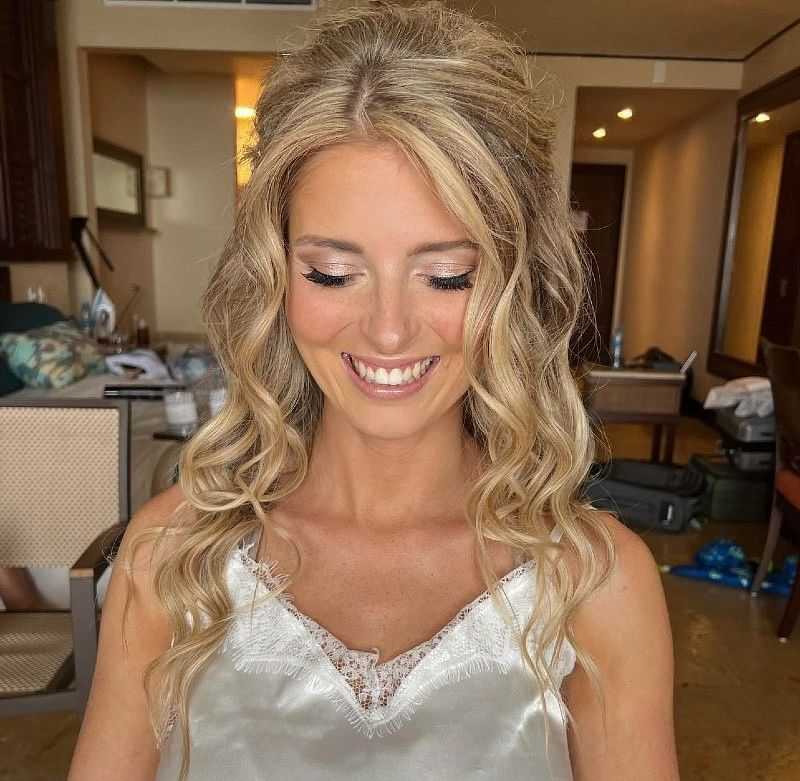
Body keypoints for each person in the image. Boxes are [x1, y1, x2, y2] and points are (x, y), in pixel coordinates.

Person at [68, 2, 679, 779]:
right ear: (274, 274)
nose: (389, 331)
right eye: (333, 272)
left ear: (511, 281)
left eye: (446, 274)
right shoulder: (175, 560)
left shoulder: (593, 582)